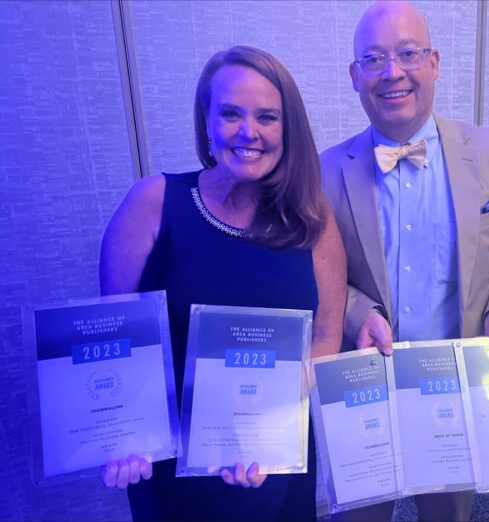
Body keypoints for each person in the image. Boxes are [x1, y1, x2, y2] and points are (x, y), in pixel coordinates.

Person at [99, 45, 347, 521]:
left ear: (288, 129)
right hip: (172, 468)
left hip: (271, 456)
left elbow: (325, 337)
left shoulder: (313, 219)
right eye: (230, 113)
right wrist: (122, 433)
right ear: (207, 121)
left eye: (267, 117)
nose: (248, 132)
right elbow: (116, 336)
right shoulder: (154, 202)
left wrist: (263, 423)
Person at [320, 1, 489, 521]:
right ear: (354, 77)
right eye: (373, 60)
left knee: (447, 514)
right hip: (363, 388)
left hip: (454, 386)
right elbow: (316, 276)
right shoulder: (326, 170)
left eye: (407, 54)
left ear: (435, 62)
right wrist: (358, 315)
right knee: (361, 515)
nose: (392, 72)